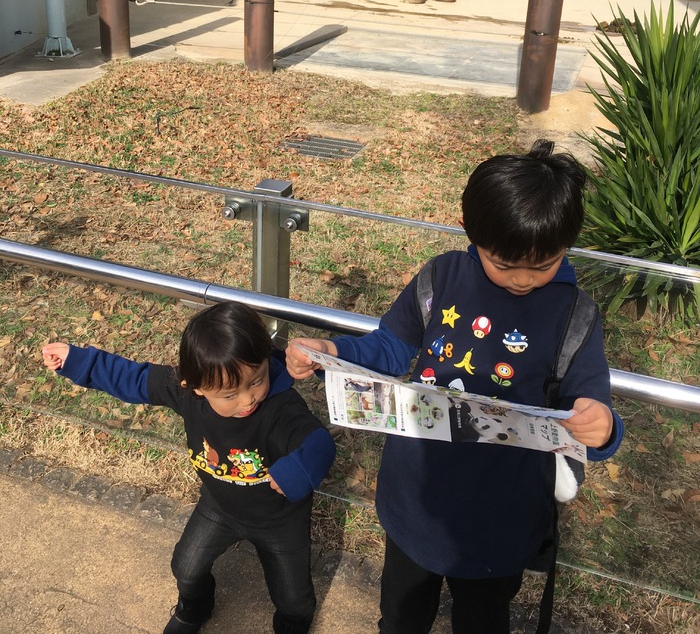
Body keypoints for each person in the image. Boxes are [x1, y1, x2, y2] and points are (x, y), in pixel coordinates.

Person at [286, 139, 624, 634]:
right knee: (401, 615)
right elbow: (391, 347)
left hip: (502, 509)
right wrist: (334, 354)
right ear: (470, 231)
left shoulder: (574, 315)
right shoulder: (442, 277)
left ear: (567, 244)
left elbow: (589, 401)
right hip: (415, 493)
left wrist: (603, 425)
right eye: (505, 264)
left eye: (545, 264)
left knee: (484, 619)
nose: (525, 280)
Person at [42, 301, 336, 634]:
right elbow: (134, 379)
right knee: (185, 566)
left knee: (294, 598)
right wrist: (79, 361)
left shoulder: (281, 407)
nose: (247, 399)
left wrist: (299, 469)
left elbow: (318, 442)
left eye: (256, 381)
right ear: (195, 386)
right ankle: (193, 609)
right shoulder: (187, 393)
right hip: (218, 506)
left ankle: (292, 626)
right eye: (229, 394)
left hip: (280, 520)